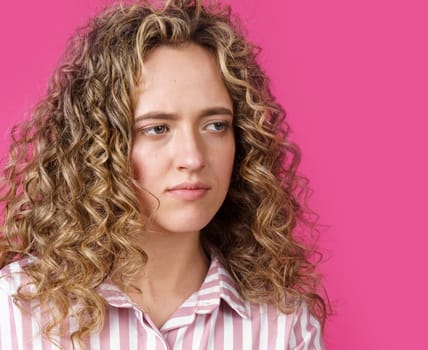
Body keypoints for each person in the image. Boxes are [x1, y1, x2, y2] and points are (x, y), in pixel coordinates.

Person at [0, 0, 328, 348]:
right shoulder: (17, 311)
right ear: (98, 145)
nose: (193, 157)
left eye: (216, 125)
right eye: (157, 128)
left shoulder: (283, 325)